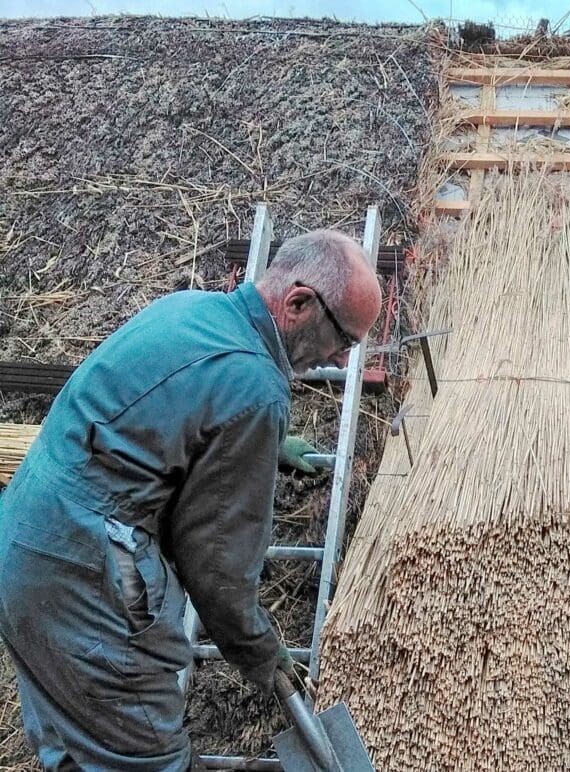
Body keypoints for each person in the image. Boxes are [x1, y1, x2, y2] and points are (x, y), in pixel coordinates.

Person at [0, 229, 382, 770]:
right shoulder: (254, 388)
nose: (342, 361)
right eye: (343, 340)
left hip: (21, 543)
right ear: (299, 303)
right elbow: (218, 565)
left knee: (77, 754)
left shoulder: (189, 308)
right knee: (146, 759)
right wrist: (261, 650)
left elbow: (158, 415)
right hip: (88, 571)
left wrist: (266, 445)